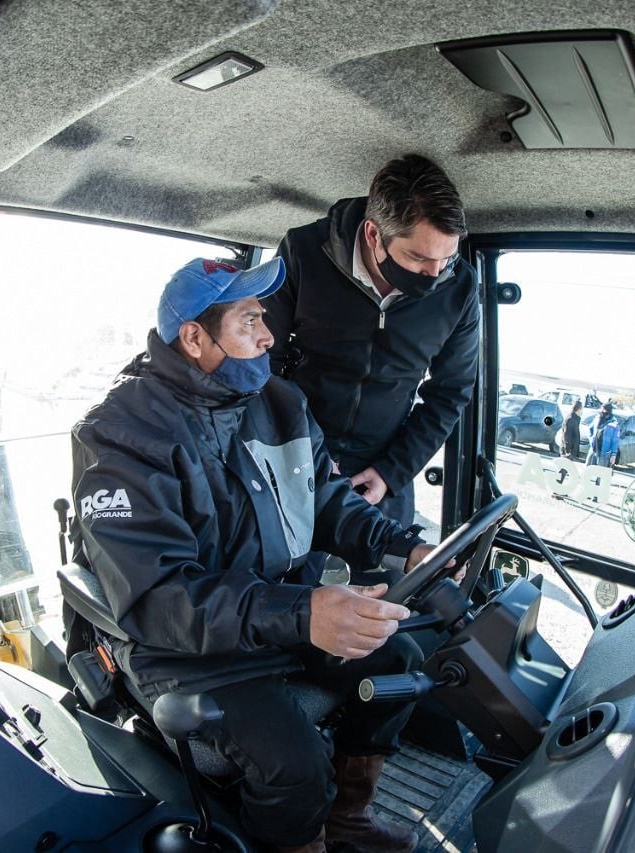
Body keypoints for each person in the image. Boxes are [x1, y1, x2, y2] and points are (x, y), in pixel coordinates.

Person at [72, 257, 443, 853]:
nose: (269, 335)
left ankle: (345, 825)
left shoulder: (279, 404)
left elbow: (326, 499)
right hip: (186, 648)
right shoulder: (121, 439)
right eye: (249, 321)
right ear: (195, 337)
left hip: (275, 614)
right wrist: (303, 614)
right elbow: (161, 598)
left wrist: (406, 545)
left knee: (397, 659)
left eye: (263, 318)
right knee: (293, 766)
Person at [263, 154, 479, 535]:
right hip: (292, 457)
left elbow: (450, 393)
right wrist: (295, 446)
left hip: (382, 477)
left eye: (447, 258)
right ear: (373, 235)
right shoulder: (304, 252)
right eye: (418, 257)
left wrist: (391, 471)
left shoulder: (459, 287)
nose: (435, 275)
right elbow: (262, 361)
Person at [587, 402, 620, 469]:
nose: (602, 411)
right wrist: (591, 440)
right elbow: (590, 429)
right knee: (588, 468)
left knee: (601, 472)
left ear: (608, 410)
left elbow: (615, 440)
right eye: (602, 409)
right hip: (594, 448)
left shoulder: (613, 423)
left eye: (604, 409)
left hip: (605, 451)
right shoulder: (597, 418)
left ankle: (599, 480)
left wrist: (613, 454)